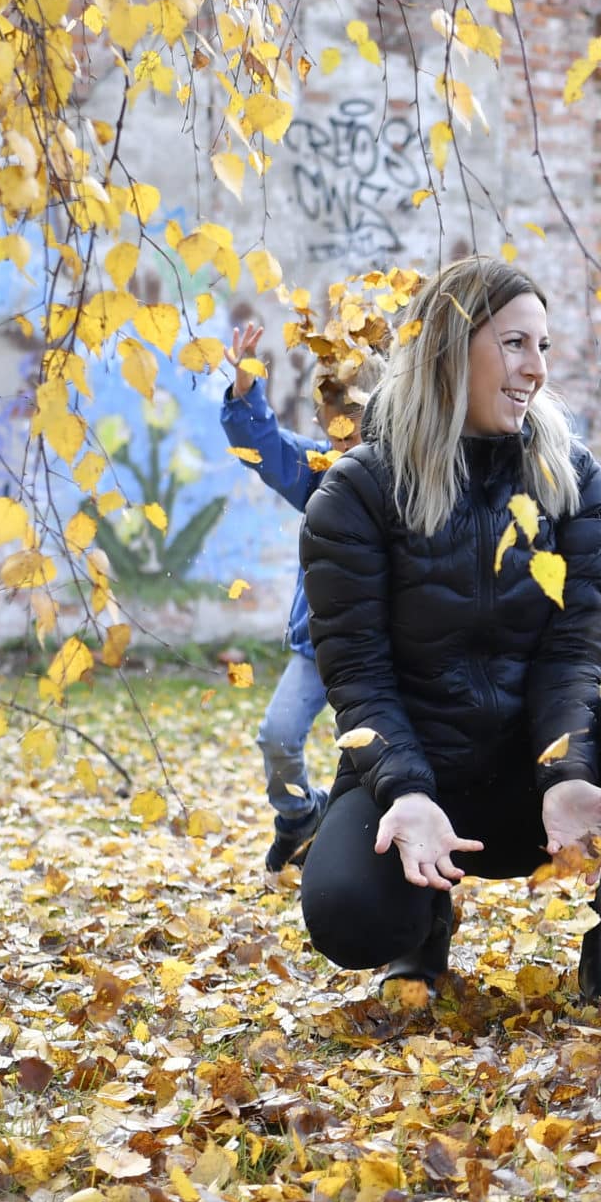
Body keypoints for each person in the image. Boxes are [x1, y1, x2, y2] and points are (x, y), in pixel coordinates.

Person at [296, 256, 601, 1001]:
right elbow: (357, 676)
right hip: (418, 786)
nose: (535, 369)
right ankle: (423, 929)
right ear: (452, 349)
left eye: (543, 347)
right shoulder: (358, 492)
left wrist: (568, 773)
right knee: (349, 919)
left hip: (533, 786)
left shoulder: (570, 479)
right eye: (515, 344)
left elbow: (572, 656)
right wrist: (406, 792)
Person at [216, 319, 369, 874]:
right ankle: (299, 818)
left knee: (371, 760)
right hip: (319, 646)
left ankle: (352, 849)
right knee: (278, 738)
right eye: (332, 431)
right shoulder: (321, 475)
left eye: (352, 430)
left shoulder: (402, 478)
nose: (341, 443)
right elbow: (265, 448)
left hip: (380, 652)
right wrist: (244, 390)